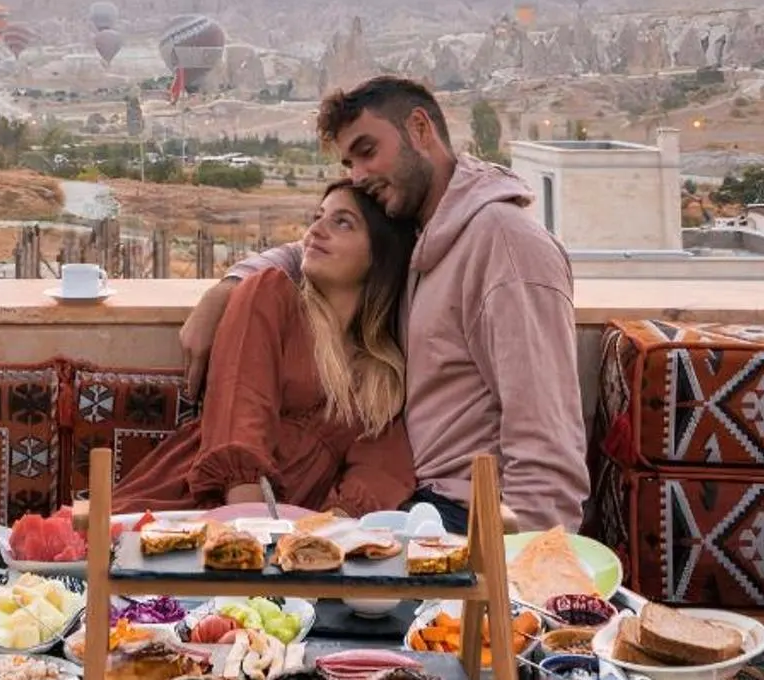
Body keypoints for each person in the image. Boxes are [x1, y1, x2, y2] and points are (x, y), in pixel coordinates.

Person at [180, 76, 589, 533]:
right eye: (349, 162)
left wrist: (523, 573)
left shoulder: (505, 245)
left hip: (465, 518)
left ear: (419, 129)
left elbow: (546, 436)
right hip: (412, 507)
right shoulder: (418, 235)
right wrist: (228, 287)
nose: (357, 176)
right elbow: (311, 250)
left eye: (368, 151)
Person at [114, 181, 416, 514]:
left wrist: (331, 530)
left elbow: (382, 468)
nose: (315, 230)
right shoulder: (271, 295)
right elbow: (240, 403)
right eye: (318, 217)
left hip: (288, 539)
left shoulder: (380, 372)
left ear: (380, 253)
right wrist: (250, 529)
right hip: (199, 504)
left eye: (342, 222)